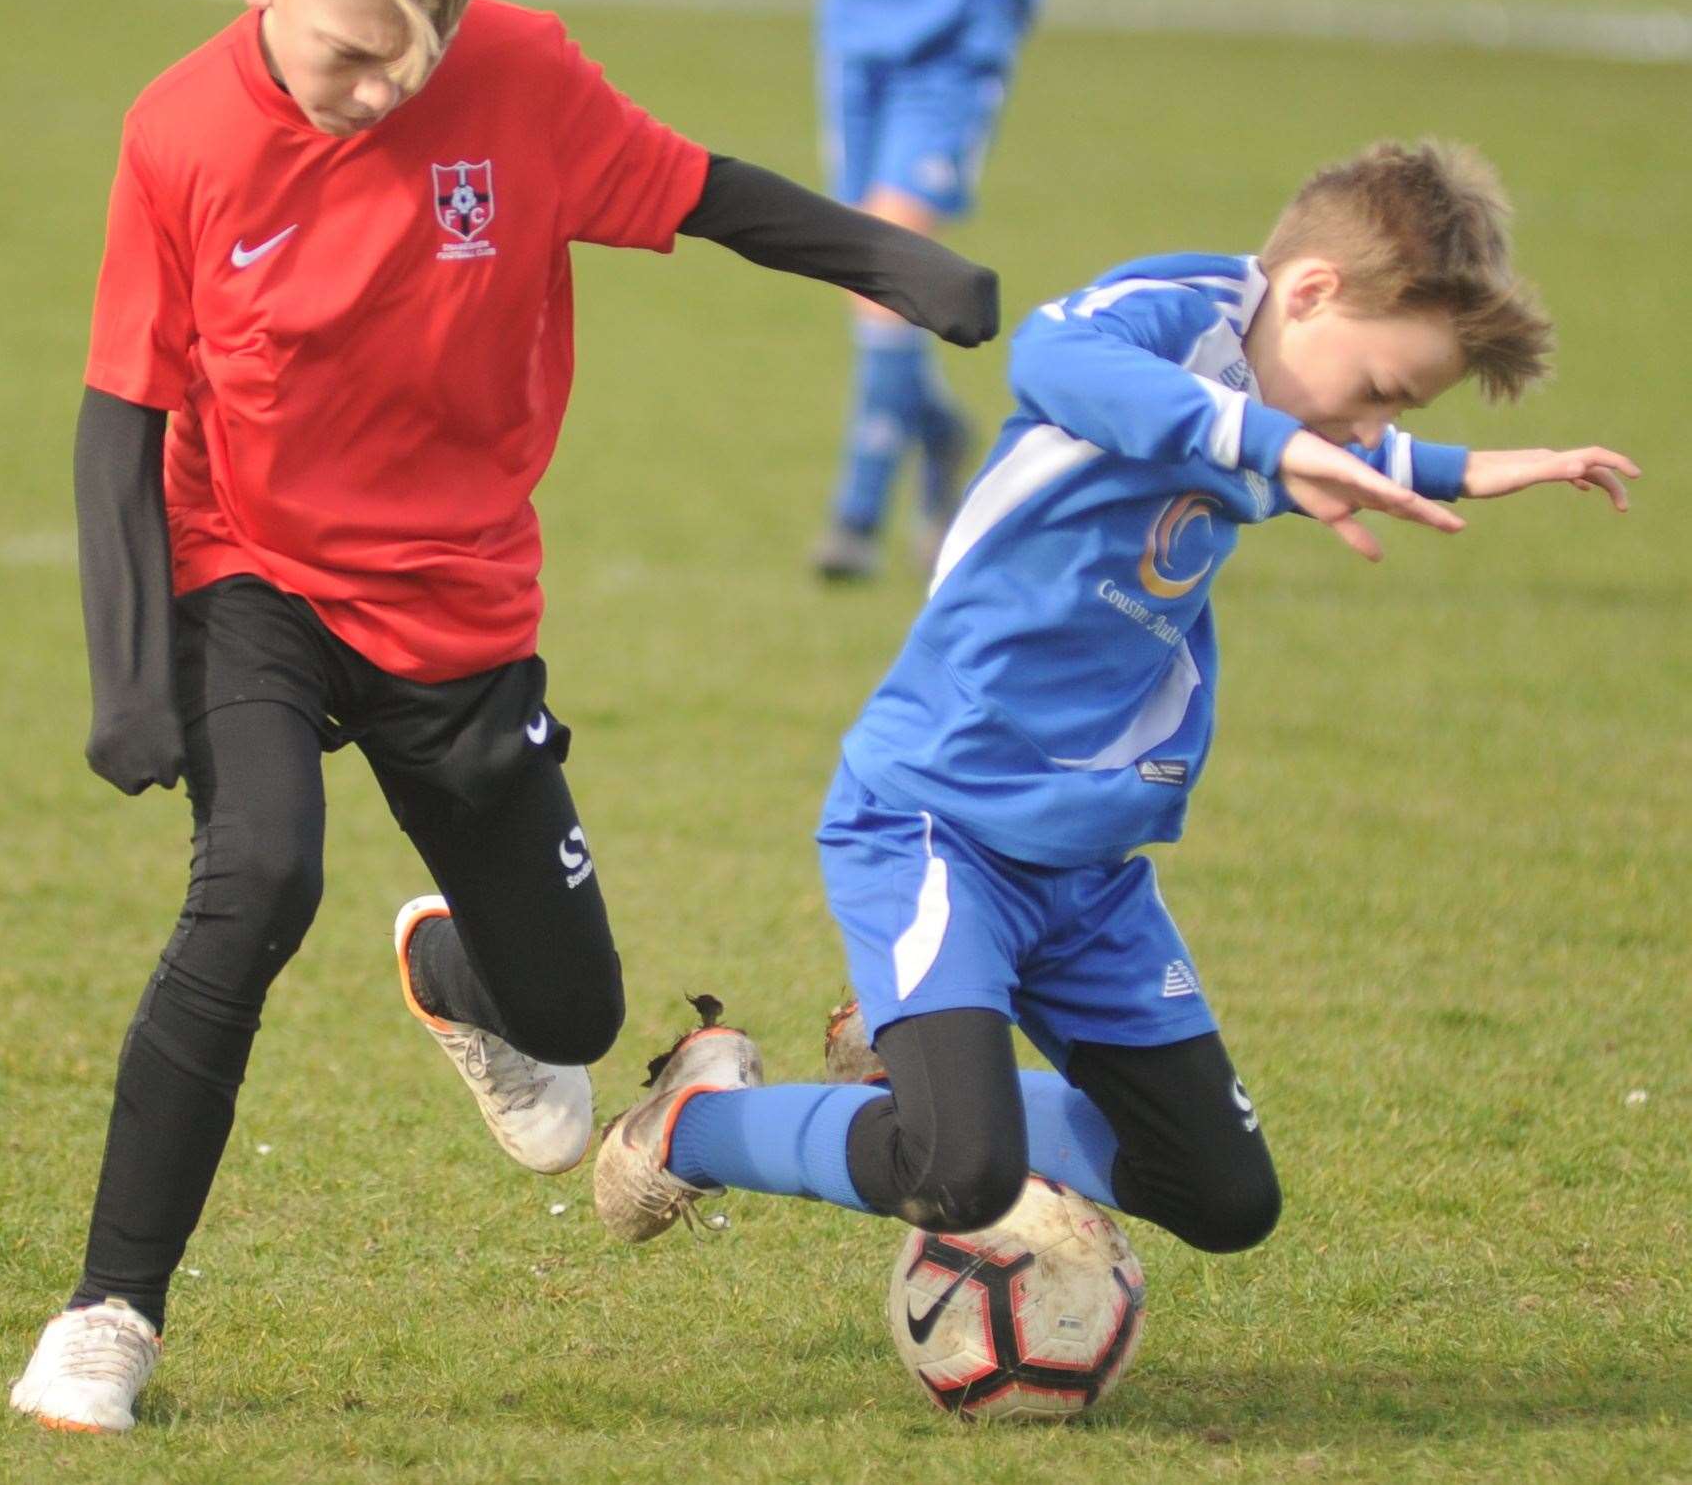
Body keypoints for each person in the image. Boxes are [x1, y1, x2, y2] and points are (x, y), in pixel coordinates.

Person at [10, 0, 997, 1435]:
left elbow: (701, 190)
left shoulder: (522, 79)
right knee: (258, 874)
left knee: (574, 1023)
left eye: (415, 56)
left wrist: (897, 266)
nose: (383, 93)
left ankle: (459, 982)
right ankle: (109, 1315)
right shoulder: (178, 132)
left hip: (458, 601)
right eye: (346, 55)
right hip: (247, 570)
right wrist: (127, 675)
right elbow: (121, 413)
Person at [592, 142, 1639, 1271]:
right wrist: (1276, 442)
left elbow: (1303, 435)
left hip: (1089, 872)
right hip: (936, 823)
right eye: (1376, 391)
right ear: (1311, 292)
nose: (1356, 430)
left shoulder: (1275, 415)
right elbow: (1055, 355)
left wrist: (1454, 465)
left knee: (1223, 1196)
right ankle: (696, 1120)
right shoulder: (1176, 319)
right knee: (959, 1170)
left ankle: (931, 1066)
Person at [757, 0, 1118, 578]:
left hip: (974, 11)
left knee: (888, 239)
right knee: (860, 256)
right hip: (861, 7)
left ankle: (855, 515)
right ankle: (939, 434)